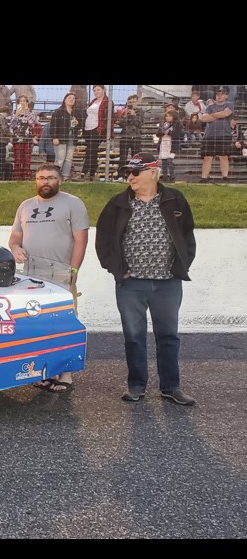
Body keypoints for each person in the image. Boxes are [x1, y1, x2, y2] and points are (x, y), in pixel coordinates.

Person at [96, 153, 196, 406]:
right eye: (127, 173)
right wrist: (116, 270)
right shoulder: (118, 203)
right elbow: (104, 240)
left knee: (168, 336)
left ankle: (171, 386)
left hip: (168, 283)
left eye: (135, 172)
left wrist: (180, 266)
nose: (129, 177)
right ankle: (137, 385)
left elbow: (187, 237)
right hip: (131, 284)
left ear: (153, 172)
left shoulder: (175, 199)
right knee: (134, 336)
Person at [8, 163, 89, 393]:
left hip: (61, 273)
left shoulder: (73, 204)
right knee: (39, 326)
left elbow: (81, 240)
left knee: (63, 325)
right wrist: (15, 248)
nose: (45, 181)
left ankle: (66, 374)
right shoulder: (25, 206)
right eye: (41, 177)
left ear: (60, 180)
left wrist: (73, 272)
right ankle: (45, 372)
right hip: (32, 276)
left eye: (51, 177)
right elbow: (14, 238)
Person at [199, 85, 234, 182]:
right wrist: (220, 114)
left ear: (226, 95)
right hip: (209, 135)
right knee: (207, 157)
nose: (219, 96)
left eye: (222, 94)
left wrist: (212, 116)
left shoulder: (229, 104)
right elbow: (203, 118)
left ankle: (225, 177)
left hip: (224, 134)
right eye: (218, 94)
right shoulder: (210, 106)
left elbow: (226, 114)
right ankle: (204, 178)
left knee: (224, 156)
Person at [79, 84, 111, 181]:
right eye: (94, 90)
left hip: (97, 129)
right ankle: (92, 174)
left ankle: (83, 173)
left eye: (98, 89)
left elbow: (107, 117)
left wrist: (103, 129)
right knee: (92, 151)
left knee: (91, 151)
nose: (96, 92)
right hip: (88, 129)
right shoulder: (93, 102)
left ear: (103, 90)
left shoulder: (107, 102)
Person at [49, 92, 83, 180]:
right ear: (65, 100)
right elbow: (53, 125)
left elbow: (81, 125)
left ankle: (65, 177)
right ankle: (56, 177)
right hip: (60, 139)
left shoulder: (77, 113)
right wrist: (54, 137)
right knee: (60, 159)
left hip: (72, 139)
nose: (72, 100)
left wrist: (78, 123)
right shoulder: (58, 112)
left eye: (73, 98)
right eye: (69, 98)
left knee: (68, 159)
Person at [9, 95, 41, 181]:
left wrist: (27, 112)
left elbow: (32, 123)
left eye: (24, 101)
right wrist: (16, 115)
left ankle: (26, 177)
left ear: (27, 103)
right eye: (20, 101)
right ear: (18, 103)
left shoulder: (31, 113)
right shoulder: (14, 112)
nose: (22, 103)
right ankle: (17, 177)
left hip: (27, 139)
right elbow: (12, 125)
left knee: (27, 160)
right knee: (18, 159)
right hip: (17, 139)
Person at [153, 110, 184, 183]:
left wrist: (169, 132)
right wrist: (163, 132)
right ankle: (165, 177)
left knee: (170, 161)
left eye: (170, 116)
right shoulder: (164, 124)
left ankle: (172, 177)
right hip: (163, 144)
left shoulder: (178, 125)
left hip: (172, 145)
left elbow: (178, 135)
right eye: (166, 116)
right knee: (164, 162)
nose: (167, 118)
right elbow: (157, 134)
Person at [117, 94, 145, 172]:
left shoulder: (140, 111)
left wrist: (134, 115)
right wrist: (126, 115)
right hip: (125, 136)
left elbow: (139, 124)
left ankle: (135, 173)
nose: (132, 103)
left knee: (136, 157)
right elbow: (121, 124)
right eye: (130, 102)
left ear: (137, 102)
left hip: (136, 137)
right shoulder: (124, 111)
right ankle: (121, 174)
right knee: (122, 157)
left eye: (134, 101)